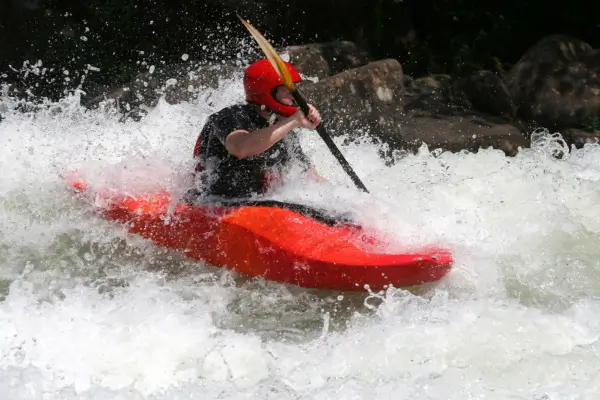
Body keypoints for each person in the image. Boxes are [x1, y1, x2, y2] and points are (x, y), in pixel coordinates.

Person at [187, 58, 326, 201]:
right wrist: (294, 121)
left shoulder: (284, 131)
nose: (296, 99)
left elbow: (311, 177)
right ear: (267, 93)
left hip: (254, 207)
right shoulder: (229, 116)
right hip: (209, 203)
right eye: (289, 93)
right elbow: (240, 148)